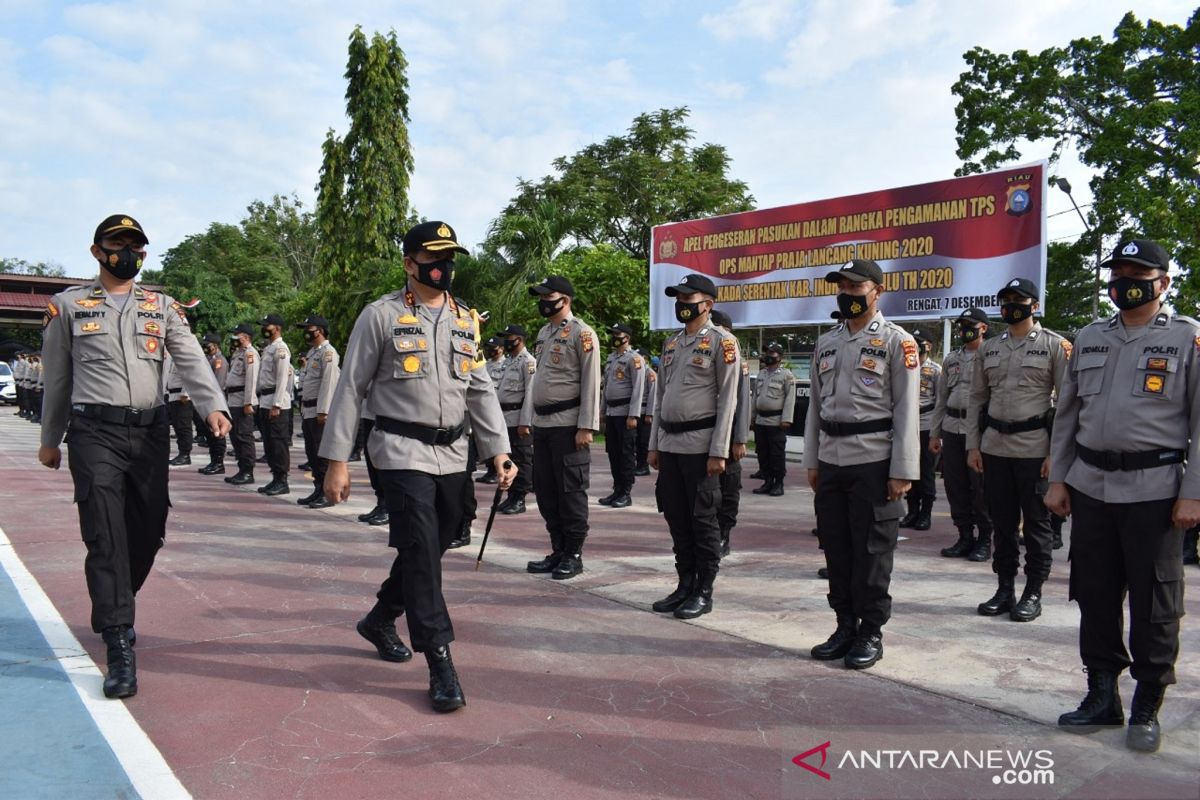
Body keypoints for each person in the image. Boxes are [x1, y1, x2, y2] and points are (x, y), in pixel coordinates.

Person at [321, 220, 515, 713]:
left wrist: (498, 449)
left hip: (453, 453)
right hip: (400, 450)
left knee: (438, 539)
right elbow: (351, 387)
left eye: (450, 258)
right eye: (433, 258)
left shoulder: (465, 318)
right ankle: (440, 658)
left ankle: (381, 617)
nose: (443, 267)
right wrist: (336, 461)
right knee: (422, 550)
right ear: (409, 264)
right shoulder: (380, 316)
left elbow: (480, 389)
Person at [37, 213, 231, 699]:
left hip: (149, 433)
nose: (128, 252)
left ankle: (115, 599)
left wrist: (214, 407)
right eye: (117, 244)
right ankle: (119, 641)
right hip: (92, 431)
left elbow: (190, 359)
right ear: (97, 251)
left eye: (135, 246)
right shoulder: (68, 307)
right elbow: (58, 377)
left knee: (146, 530)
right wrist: (49, 438)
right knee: (104, 530)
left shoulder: (161, 306)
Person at [1046, 239, 1198, 753]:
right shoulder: (1089, 337)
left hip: (1156, 491)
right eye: (1119, 271)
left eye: (1138, 272)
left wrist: (1194, 494)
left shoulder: (1187, 338)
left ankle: (1147, 706)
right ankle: (1101, 695)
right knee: (1094, 593)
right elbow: (1067, 415)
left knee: (1156, 602)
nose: (1125, 280)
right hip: (1090, 487)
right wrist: (1058, 478)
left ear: (1164, 282)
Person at [803, 259, 919, 670]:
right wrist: (812, 458)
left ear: (877, 292)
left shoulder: (897, 341)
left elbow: (907, 408)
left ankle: (870, 630)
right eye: (843, 287)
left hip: (874, 459)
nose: (849, 293)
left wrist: (903, 469)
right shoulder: (827, 342)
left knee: (871, 551)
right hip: (832, 459)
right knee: (835, 546)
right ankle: (844, 625)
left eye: (856, 287)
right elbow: (816, 405)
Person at [966, 278, 1069, 623]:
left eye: (1018, 299)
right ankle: (1005, 588)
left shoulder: (1055, 346)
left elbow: (1067, 405)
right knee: (1002, 523)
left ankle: (1033, 592)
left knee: (1037, 527)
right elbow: (977, 399)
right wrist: (973, 446)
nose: (1011, 304)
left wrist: (1057, 455)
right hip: (994, 448)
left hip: (1035, 451)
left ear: (1034, 305)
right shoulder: (990, 348)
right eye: (1006, 299)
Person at [647, 274, 740, 618]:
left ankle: (704, 589)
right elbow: (660, 399)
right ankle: (684, 583)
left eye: (689, 298)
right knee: (677, 519)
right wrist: (654, 443)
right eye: (679, 298)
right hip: (670, 444)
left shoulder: (722, 341)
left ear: (708, 304)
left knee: (702, 521)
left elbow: (729, 399)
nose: (682, 304)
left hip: (701, 447)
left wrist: (720, 450)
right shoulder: (672, 344)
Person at [524, 275, 602, 580]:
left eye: (549, 296)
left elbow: (591, 382)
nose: (544, 302)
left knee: (570, 492)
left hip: (569, 426)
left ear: (565, 300)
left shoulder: (582, 333)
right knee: (546, 491)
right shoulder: (544, 333)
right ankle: (557, 549)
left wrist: (587, 426)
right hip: (542, 424)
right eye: (541, 296)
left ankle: (574, 553)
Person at [929, 308, 993, 559]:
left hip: (979, 429)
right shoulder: (952, 359)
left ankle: (985, 539)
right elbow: (941, 398)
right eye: (962, 324)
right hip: (952, 427)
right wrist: (935, 433)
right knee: (955, 485)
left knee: (980, 487)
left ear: (983, 328)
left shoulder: (992, 354)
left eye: (970, 324)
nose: (965, 328)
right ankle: (964, 536)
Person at [710, 309, 749, 557]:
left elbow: (743, 402)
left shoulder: (738, 362)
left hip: (729, 433)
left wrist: (740, 438)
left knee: (728, 488)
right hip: (705, 432)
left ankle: (724, 535)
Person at [295, 315, 340, 509]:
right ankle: (318, 488)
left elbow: (328, 384)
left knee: (322, 455)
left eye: (309, 328)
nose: (306, 332)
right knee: (312, 452)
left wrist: (324, 411)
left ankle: (327, 493)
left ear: (320, 330)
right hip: (309, 409)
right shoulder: (313, 352)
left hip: (319, 411)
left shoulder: (328, 353)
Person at [599, 323, 646, 508]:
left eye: (617, 334)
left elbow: (638, 388)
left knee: (626, 454)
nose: (614, 337)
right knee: (613, 452)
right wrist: (602, 410)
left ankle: (626, 492)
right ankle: (617, 489)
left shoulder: (634, 359)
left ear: (627, 337)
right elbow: (606, 388)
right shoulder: (611, 358)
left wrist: (633, 415)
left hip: (625, 413)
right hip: (611, 413)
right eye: (613, 333)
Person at [899, 329, 941, 530]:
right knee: (909, 469)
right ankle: (912, 511)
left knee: (926, 472)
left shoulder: (935, 370)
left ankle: (926, 513)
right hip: (908, 424)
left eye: (920, 342)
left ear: (929, 346)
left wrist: (937, 432)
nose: (916, 345)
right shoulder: (906, 366)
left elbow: (941, 402)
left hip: (927, 424)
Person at [496, 323, 536, 515]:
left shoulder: (528, 362)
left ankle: (519, 498)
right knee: (508, 460)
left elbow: (530, 393)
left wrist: (525, 422)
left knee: (522, 459)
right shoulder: (508, 361)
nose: (505, 341)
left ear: (519, 340)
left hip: (518, 418)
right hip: (504, 418)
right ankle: (511, 497)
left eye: (508, 337)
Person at [255, 314, 293, 496]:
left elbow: (282, 379)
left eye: (267, 325)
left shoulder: (281, 349)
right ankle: (275, 478)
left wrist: (277, 404)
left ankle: (282, 480)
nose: (264, 328)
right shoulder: (269, 349)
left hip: (276, 402)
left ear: (276, 328)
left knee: (278, 443)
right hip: (265, 400)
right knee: (269, 443)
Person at [751, 341, 795, 497]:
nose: (768, 356)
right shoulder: (761, 374)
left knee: (776, 454)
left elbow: (790, 399)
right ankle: (767, 481)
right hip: (761, 421)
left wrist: (786, 419)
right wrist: (752, 417)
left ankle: (778, 484)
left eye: (772, 353)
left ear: (780, 357)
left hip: (776, 421)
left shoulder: (786, 375)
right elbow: (755, 397)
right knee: (763, 453)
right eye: (767, 353)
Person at [224, 324, 259, 484]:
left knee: (244, 437)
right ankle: (241, 469)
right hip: (233, 400)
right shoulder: (238, 354)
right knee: (235, 436)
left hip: (243, 400)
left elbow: (251, 380)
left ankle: (248, 472)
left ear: (245, 337)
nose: (234, 338)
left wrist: (249, 402)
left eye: (236, 335)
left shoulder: (250, 354)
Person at [197, 333, 229, 475]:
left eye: (207, 345)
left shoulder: (220, 361)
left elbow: (219, 384)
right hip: (207, 400)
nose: (205, 348)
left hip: (216, 401)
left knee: (217, 434)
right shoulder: (208, 360)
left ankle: (218, 463)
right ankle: (213, 461)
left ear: (215, 346)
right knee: (210, 434)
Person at [163, 351, 193, 466]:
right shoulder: (171, 355)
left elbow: (189, 373)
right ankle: (182, 453)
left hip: (182, 396)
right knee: (177, 426)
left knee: (184, 426)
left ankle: (185, 454)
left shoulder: (184, 353)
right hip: (171, 395)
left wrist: (186, 392)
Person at [635, 350, 657, 476]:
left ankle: (644, 466)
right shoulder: (638, 372)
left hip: (645, 412)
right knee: (637, 441)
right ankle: (639, 464)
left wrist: (650, 414)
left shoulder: (650, 373)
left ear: (645, 359)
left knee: (644, 441)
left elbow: (653, 395)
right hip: (637, 411)